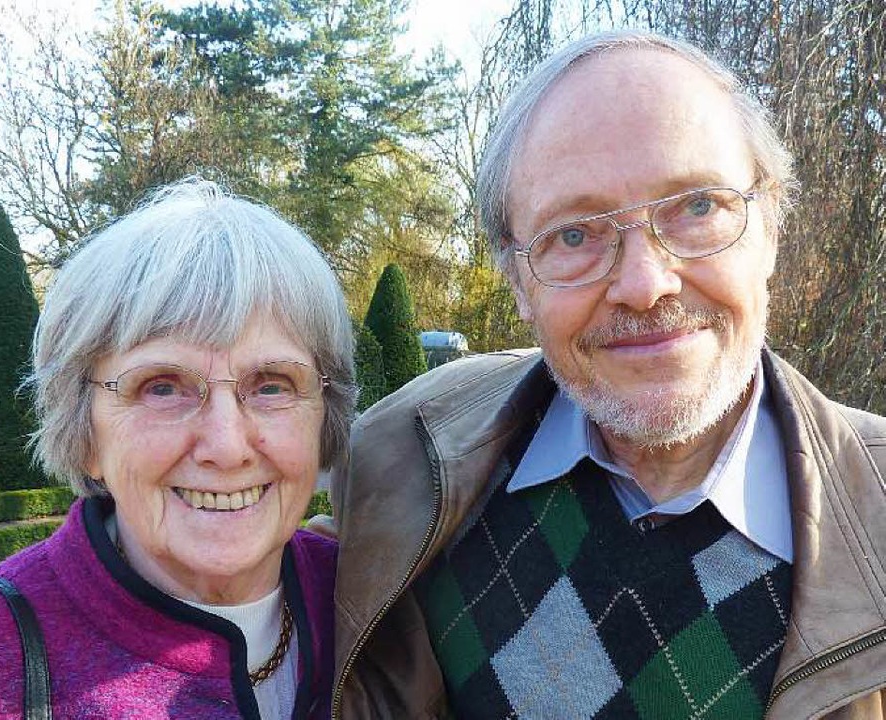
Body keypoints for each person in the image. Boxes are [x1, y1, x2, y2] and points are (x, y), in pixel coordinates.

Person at [326, 31, 886, 719]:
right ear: (519, 281)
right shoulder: (401, 465)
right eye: (574, 234)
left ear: (770, 228)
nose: (646, 285)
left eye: (698, 207)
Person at [0, 178, 356, 719]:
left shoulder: (381, 602)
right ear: (86, 434)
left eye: (271, 384)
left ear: (325, 415)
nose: (226, 447)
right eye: (162, 387)